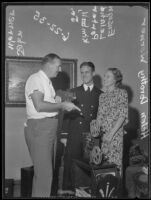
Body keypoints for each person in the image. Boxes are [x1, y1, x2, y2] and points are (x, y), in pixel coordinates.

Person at [24, 53, 80, 197]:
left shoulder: (46, 81)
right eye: (58, 65)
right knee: (44, 174)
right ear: (49, 65)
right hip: (40, 127)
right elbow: (39, 106)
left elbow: (45, 104)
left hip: (47, 128)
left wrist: (56, 101)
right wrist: (61, 105)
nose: (60, 69)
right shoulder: (36, 79)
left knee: (44, 174)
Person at [62, 61, 102, 192]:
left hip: (91, 136)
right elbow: (65, 115)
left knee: (89, 166)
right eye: (82, 72)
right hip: (74, 134)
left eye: (87, 72)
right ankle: (68, 192)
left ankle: (86, 193)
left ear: (93, 73)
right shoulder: (72, 92)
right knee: (69, 164)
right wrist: (64, 135)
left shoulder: (100, 94)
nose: (84, 75)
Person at [91, 68, 128, 176]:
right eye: (104, 76)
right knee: (103, 164)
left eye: (108, 76)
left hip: (115, 135)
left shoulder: (122, 93)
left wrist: (111, 134)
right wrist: (96, 131)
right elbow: (99, 115)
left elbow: (122, 115)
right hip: (103, 135)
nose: (105, 79)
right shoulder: (102, 96)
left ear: (115, 79)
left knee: (114, 166)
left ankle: (116, 191)